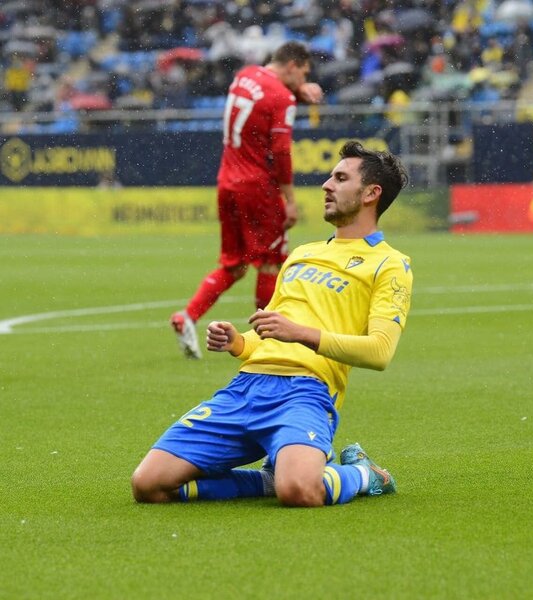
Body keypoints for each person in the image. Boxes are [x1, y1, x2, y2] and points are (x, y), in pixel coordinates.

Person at [132, 141, 412, 508]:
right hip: (246, 388)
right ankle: (270, 480)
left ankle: (363, 473)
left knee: (299, 492)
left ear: (371, 194)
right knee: (149, 485)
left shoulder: (389, 264)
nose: (327, 185)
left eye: (340, 178)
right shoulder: (303, 253)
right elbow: (268, 333)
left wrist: (301, 335)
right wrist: (238, 342)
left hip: (305, 392)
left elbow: (379, 351)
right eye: (330, 176)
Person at [170, 41, 324, 358]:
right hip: (257, 188)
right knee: (271, 262)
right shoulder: (282, 98)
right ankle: (265, 342)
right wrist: (290, 199)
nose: (304, 78)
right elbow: (281, 151)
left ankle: (187, 316)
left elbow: (260, 106)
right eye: (304, 72)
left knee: (235, 264)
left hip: (227, 181)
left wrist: (297, 93)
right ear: (293, 65)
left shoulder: (246, 75)